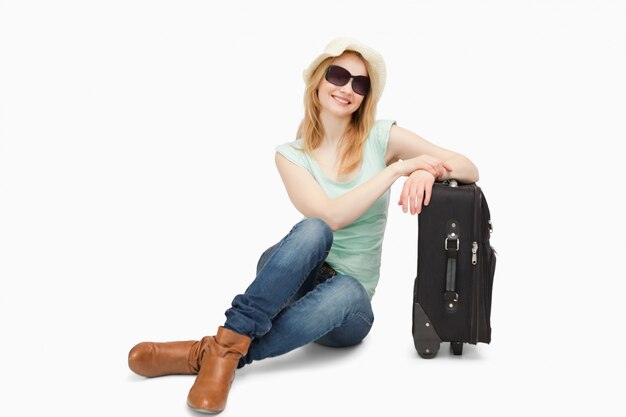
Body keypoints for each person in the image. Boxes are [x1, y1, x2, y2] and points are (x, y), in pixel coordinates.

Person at [127, 37, 479, 414]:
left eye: (359, 84)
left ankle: (215, 351)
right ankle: (227, 348)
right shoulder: (290, 155)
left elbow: (469, 167)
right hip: (296, 278)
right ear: (317, 79)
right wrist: (398, 170)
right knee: (315, 229)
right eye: (339, 75)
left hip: (348, 305)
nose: (347, 89)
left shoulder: (382, 136)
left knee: (344, 289)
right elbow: (330, 217)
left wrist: (427, 170)